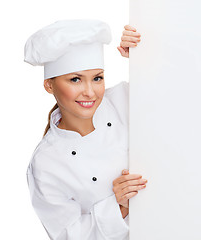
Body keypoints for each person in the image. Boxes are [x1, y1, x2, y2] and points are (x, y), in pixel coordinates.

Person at [25, 19, 145, 240]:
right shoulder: (46, 163)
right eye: (75, 79)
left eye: (97, 78)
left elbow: (179, 104)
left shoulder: (125, 100)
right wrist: (119, 207)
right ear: (49, 85)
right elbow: (67, 235)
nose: (90, 92)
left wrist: (144, 58)